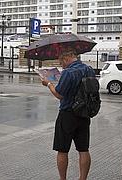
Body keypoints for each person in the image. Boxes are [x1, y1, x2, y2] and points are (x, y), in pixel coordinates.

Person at [41, 49, 95, 180]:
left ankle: (62, 179)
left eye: (61, 62)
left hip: (68, 114)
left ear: (66, 58)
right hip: (84, 113)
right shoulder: (89, 69)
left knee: (62, 149)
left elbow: (59, 94)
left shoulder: (68, 72)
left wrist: (48, 84)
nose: (61, 66)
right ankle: (83, 178)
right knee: (83, 149)